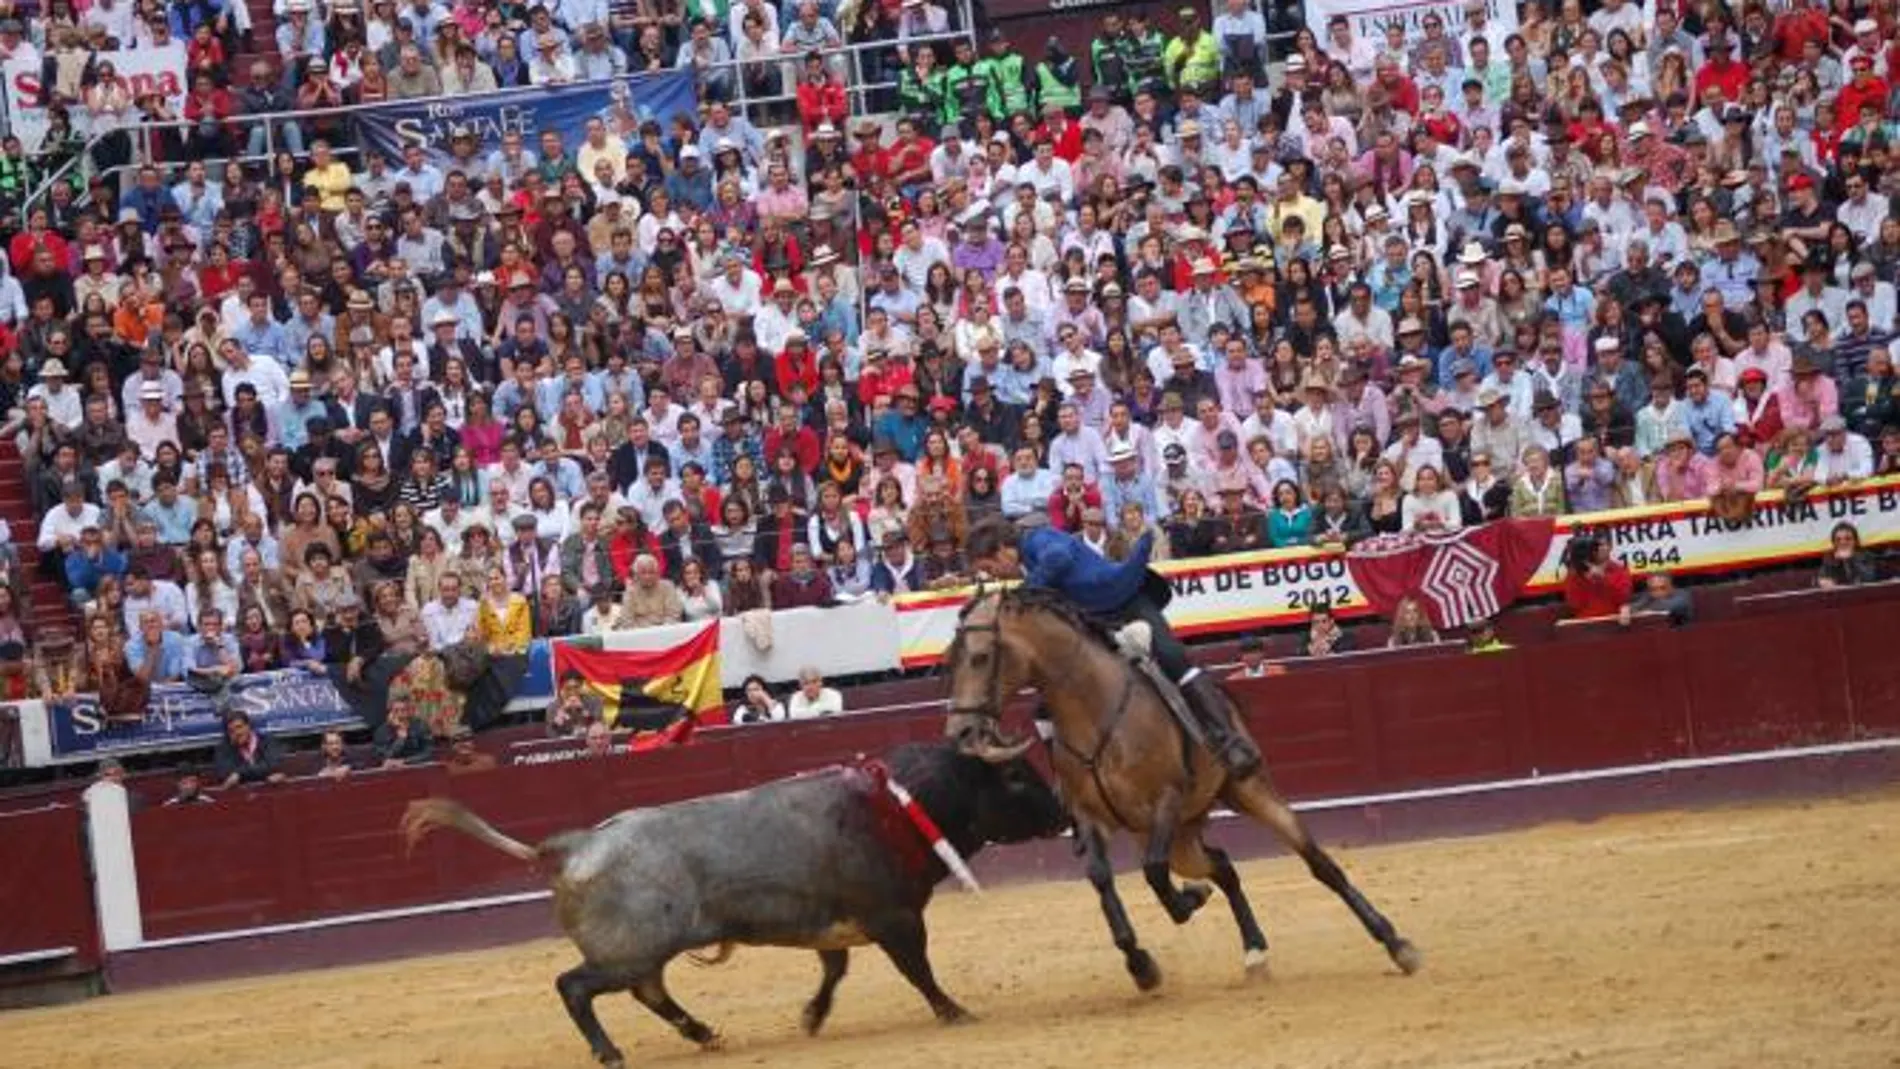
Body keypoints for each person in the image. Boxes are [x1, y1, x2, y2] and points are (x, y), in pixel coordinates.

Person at [968, 517, 1260, 777]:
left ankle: (1228, 740)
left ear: (1004, 550)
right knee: (1048, 708)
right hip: (1097, 618)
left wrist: (1021, 594)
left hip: (1126, 598)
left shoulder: (1037, 540)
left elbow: (1059, 559)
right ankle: (1071, 778)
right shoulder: (1030, 563)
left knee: (1172, 657)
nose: (993, 576)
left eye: (989, 567)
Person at [1562, 535, 1634, 622]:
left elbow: (1624, 599)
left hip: (1612, 624)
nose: (1599, 549)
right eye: (1596, 546)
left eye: (1602, 545)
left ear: (1610, 547)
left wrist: (1603, 577)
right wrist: (1582, 577)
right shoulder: (1576, 573)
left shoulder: (1620, 571)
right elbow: (1574, 605)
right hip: (1585, 626)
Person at [1817, 522, 1880, 588]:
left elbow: (1869, 578)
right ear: (1834, 543)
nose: (1843, 542)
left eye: (1848, 539)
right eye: (1838, 540)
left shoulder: (1866, 556)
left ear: (1855, 541)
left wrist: (1851, 559)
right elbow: (1823, 580)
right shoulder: (1830, 559)